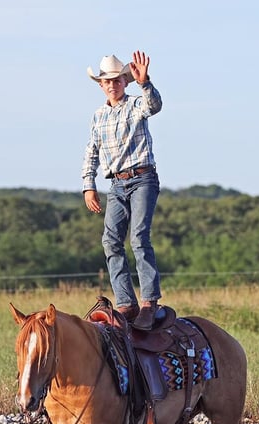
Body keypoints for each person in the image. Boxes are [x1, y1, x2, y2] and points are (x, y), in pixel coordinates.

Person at [82, 51, 163, 330]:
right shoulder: (98, 116)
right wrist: (88, 186)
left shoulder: (136, 105)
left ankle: (150, 302)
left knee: (139, 237)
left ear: (124, 82)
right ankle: (126, 303)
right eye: (107, 81)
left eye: (117, 80)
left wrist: (146, 82)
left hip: (143, 179)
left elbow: (154, 106)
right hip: (115, 183)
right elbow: (91, 152)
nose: (113, 85)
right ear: (101, 85)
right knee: (110, 241)